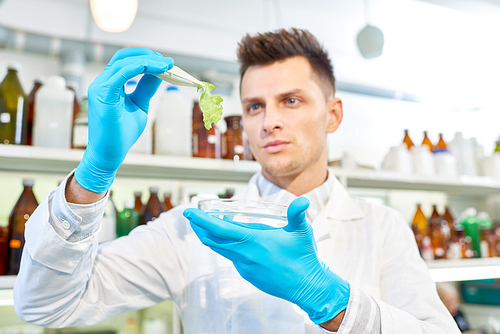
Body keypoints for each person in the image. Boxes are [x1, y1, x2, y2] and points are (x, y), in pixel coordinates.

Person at [13, 28, 461, 333]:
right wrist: (93, 175)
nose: (269, 122)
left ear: (333, 115)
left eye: (290, 100)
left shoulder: (380, 228)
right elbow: (44, 305)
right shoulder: (191, 229)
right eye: (254, 106)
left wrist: (334, 301)